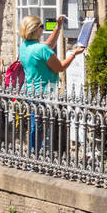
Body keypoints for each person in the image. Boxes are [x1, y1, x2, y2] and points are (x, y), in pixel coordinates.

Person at [17, 15, 86, 154]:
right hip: (44, 93)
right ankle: (35, 156)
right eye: (41, 26)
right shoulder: (41, 50)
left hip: (30, 91)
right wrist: (74, 53)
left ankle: (34, 153)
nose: (43, 29)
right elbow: (60, 67)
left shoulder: (24, 46)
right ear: (36, 30)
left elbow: (48, 45)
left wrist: (57, 27)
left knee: (35, 125)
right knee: (40, 128)